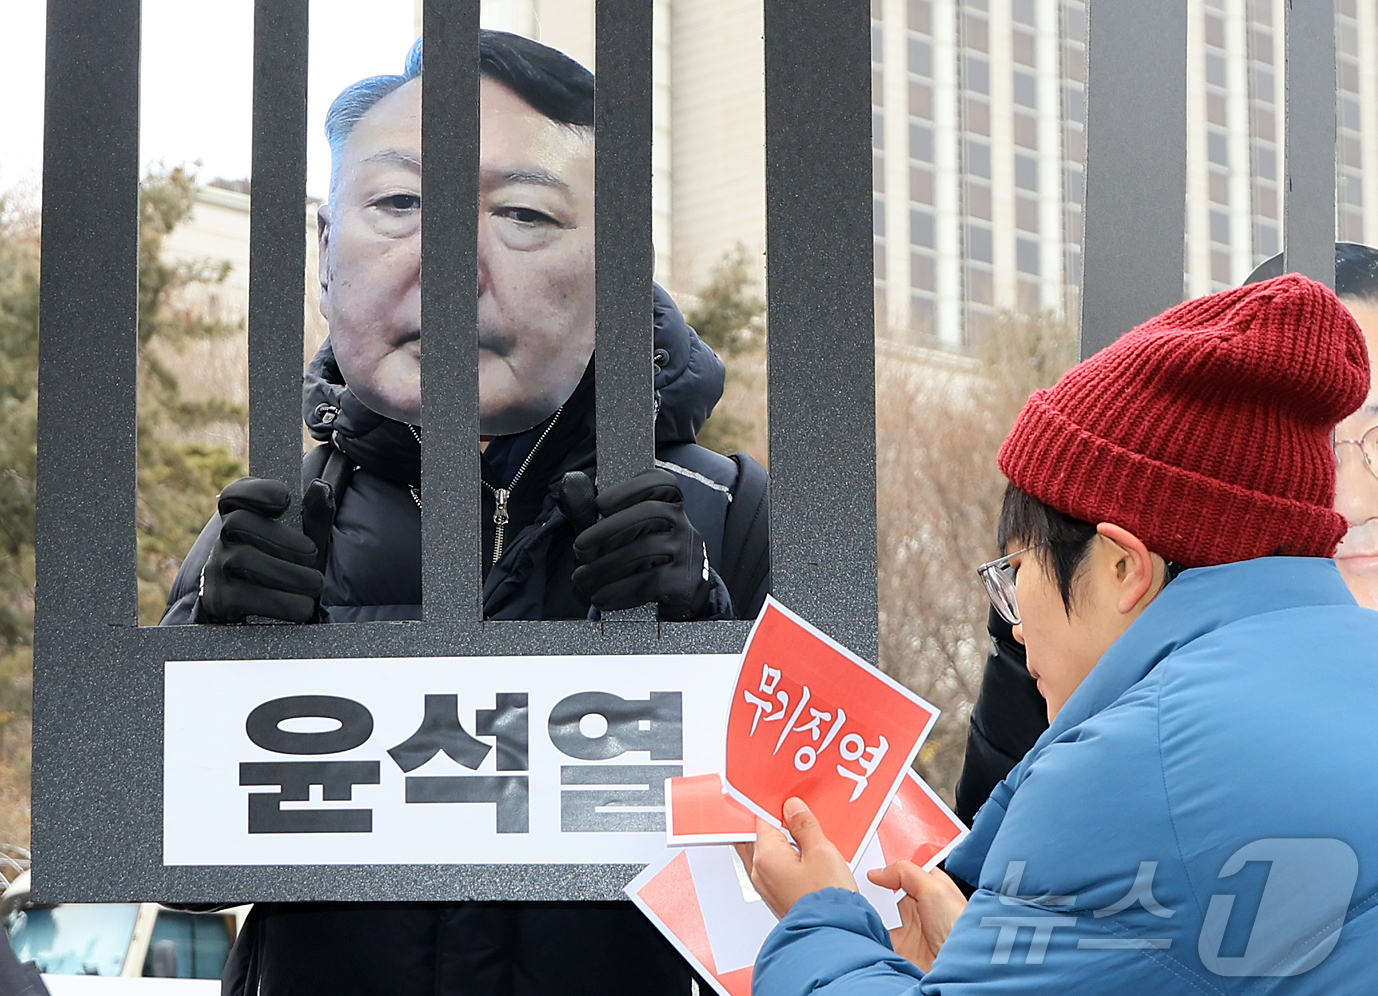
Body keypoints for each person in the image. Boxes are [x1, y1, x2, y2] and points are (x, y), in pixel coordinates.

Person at [161, 32, 769, 996]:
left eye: (525, 212)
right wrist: (213, 664)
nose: (451, 262)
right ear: (324, 251)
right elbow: (179, 875)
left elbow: (822, 869)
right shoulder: (276, 523)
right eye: (400, 203)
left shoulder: (724, 510)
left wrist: (703, 633)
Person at [740, 274, 1378, 992]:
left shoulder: (1139, 762)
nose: (1014, 626)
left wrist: (818, 925)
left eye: (1017, 572)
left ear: (1119, 567)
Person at [952, 241, 1378, 828]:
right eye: (1322, 446)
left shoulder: (1143, 756)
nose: (1349, 498)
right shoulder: (1055, 644)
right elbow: (988, 880)